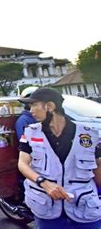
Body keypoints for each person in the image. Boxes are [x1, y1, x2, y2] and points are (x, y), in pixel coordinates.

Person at [18, 88, 101, 228]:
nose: (30, 110)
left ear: (50, 107)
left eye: (34, 105)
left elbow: (98, 168)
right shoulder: (30, 132)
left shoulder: (88, 134)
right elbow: (23, 163)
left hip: (84, 210)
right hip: (47, 210)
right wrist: (43, 182)